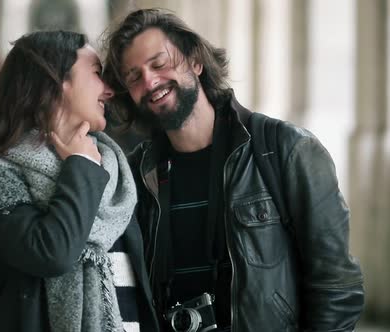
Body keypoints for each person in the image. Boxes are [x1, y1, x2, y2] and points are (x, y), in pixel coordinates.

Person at [101, 8, 365, 332]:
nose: (150, 81)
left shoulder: (286, 150)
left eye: (159, 64)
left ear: (195, 62)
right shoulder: (134, 176)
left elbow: (337, 287)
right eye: (134, 76)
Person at [0, 30, 160, 332]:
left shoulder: (114, 168)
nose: (109, 90)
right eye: (96, 73)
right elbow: (51, 253)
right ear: (56, 81)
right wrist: (79, 166)